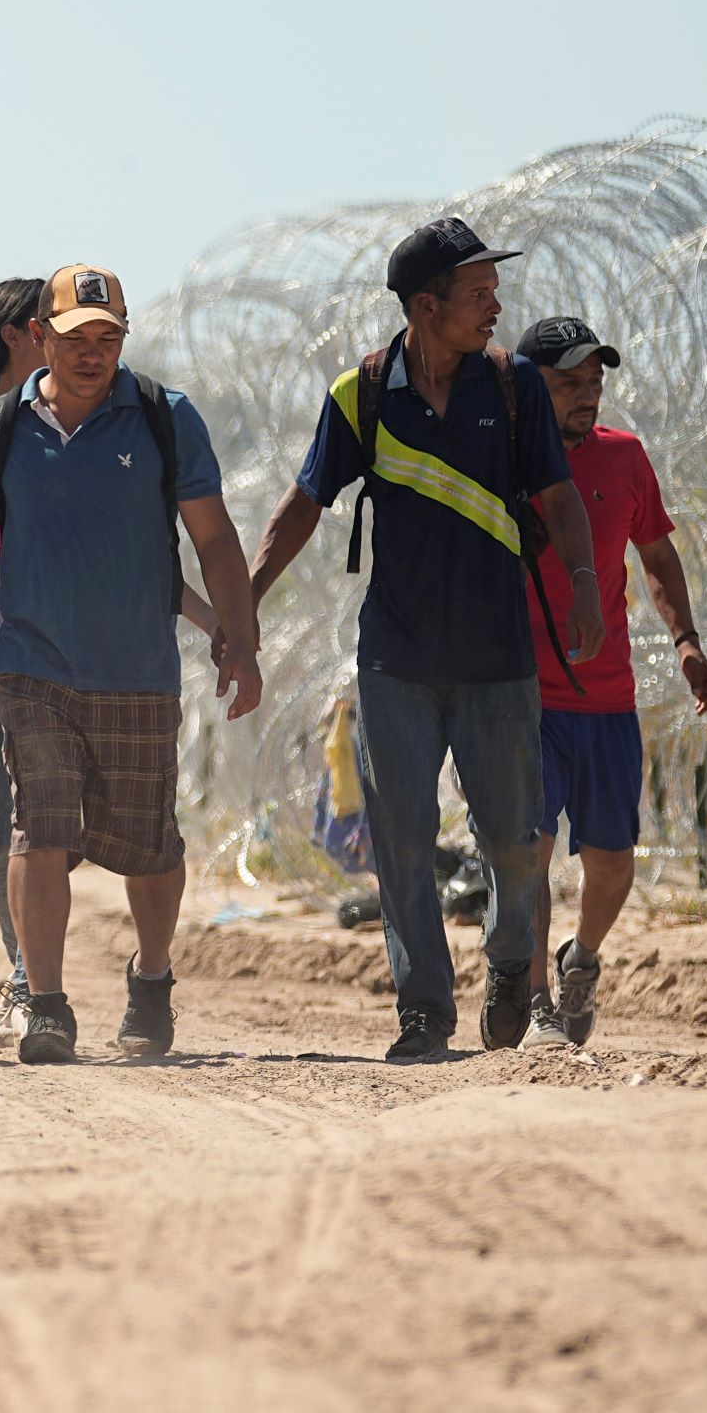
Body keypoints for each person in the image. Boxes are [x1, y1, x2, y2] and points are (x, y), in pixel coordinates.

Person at [0, 265, 262, 1065]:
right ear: (37, 337)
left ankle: (150, 978)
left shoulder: (162, 418)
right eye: (75, 337)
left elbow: (214, 537)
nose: (92, 353)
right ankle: (45, 1004)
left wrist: (241, 640)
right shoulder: (0, 428)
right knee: (38, 829)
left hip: (137, 666)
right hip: (30, 663)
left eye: (107, 337)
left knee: (149, 843)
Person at [241, 218, 605, 1061]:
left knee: (512, 840)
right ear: (425, 305)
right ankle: (423, 1011)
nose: (495, 307)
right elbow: (303, 503)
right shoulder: (362, 394)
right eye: (478, 293)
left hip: (496, 659)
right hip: (395, 659)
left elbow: (557, 497)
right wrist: (245, 600)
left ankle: (509, 961)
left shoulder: (511, 386)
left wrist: (584, 584)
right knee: (402, 840)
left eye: (493, 291)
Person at [511, 318, 707, 1049]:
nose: (587, 394)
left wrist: (687, 643)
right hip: (523, 697)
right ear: (528, 387)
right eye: (568, 382)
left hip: (605, 698)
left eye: (594, 381)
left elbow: (657, 557)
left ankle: (581, 960)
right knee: (529, 853)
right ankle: (535, 1001)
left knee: (611, 865)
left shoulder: (624, 456)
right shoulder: (501, 460)